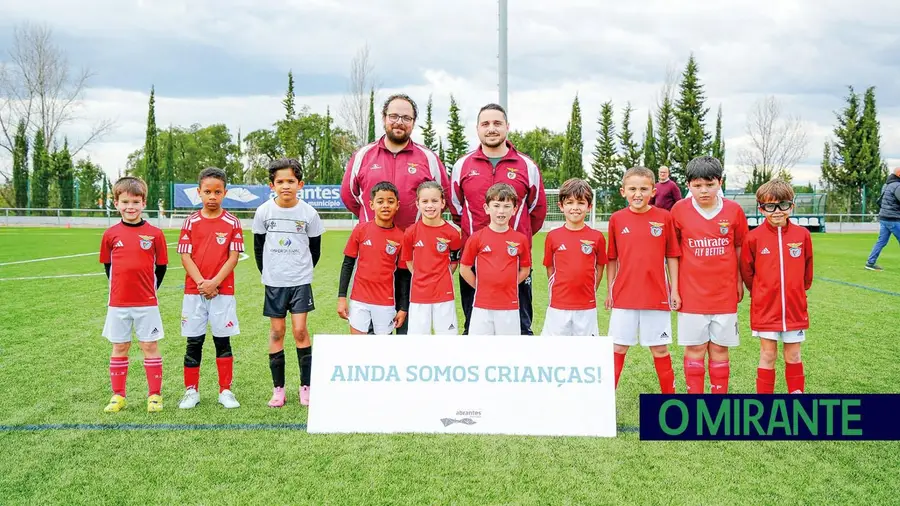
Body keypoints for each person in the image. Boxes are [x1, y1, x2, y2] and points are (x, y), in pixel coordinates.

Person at [340, 93, 450, 334]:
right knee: (367, 333)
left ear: (413, 122)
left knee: (406, 326)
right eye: (394, 116)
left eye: (406, 117)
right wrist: (373, 224)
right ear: (383, 118)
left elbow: (445, 196)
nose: (399, 122)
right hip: (373, 255)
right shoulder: (363, 156)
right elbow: (350, 196)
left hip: (415, 255)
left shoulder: (428, 158)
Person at [450, 103, 547, 335]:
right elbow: (456, 209)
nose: (491, 129)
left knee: (520, 328)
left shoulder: (527, 166)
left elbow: (536, 211)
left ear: (507, 127)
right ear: (477, 129)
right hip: (474, 262)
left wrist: (513, 239)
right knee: (474, 327)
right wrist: (481, 240)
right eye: (485, 124)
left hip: (513, 261)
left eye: (497, 123)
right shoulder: (462, 165)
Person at [670, 155, 749, 394]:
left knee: (720, 349)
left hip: (724, 293)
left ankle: (717, 405)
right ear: (688, 185)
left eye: (710, 184)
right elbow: (672, 252)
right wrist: (674, 288)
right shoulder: (678, 210)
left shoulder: (734, 211)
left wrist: (738, 281)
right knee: (694, 349)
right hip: (691, 294)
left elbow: (738, 247)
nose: (704, 190)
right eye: (697, 185)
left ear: (720, 182)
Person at [252, 158, 325, 408]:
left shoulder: (309, 213)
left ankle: (306, 388)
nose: (286, 186)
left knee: (300, 331)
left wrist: (299, 271)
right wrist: (272, 272)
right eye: (280, 181)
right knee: (276, 332)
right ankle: (278, 389)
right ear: (271, 185)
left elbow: (315, 251)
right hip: (274, 283)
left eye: (290, 181)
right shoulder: (263, 212)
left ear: (300, 184)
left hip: (300, 282)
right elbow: (259, 248)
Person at [606, 167, 680, 393]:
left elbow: (672, 256)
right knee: (617, 348)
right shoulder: (617, 219)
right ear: (623, 191)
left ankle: (671, 400)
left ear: (654, 191)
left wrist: (674, 290)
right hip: (624, 298)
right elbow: (612, 259)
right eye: (632, 189)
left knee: (659, 349)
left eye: (643, 189)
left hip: (656, 297)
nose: (637, 194)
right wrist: (610, 291)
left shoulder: (664, 217)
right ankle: (604, 403)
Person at [98, 176, 168, 413]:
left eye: (135, 201)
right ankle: (118, 396)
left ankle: (154, 396)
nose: (130, 206)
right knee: (120, 347)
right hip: (117, 304)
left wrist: (148, 290)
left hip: (147, 303)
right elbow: (108, 267)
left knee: (149, 345)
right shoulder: (110, 235)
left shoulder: (155, 234)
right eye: (125, 201)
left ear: (143, 202)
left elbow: (161, 268)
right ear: (116, 203)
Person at [176, 167, 244, 410]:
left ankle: (225, 390)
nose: (212, 196)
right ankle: (191, 390)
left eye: (217, 191)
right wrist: (202, 284)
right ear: (199, 193)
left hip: (222, 292)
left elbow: (233, 257)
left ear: (225, 193)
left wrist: (214, 282)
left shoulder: (232, 222)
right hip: (194, 293)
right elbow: (185, 257)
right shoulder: (190, 221)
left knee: (222, 342)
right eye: (207, 192)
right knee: (194, 342)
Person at [740, 179, 814, 393]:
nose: (777, 211)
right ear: (761, 208)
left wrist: (797, 291)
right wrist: (762, 293)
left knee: (793, 355)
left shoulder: (803, 235)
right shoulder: (753, 238)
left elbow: (807, 271)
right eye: (770, 206)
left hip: (794, 307)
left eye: (783, 205)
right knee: (768, 354)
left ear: (792, 205)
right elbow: (747, 272)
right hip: (766, 308)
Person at [337, 181, 410, 334]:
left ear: (397, 205)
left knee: (383, 353)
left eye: (390, 201)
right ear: (371, 205)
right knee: (359, 350)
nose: (385, 205)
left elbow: (403, 276)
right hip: (359, 299)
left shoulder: (402, 237)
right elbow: (347, 264)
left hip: (385, 302)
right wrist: (342, 298)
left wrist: (403, 308)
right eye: (380, 201)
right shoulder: (360, 230)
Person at [459, 183, 532, 335]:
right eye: (496, 205)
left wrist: (508, 284)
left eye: (506, 206)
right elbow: (464, 268)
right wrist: (479, 286)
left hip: (509, 307)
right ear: (487, 208)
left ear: (514, 210)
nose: (501, 211)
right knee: (480, 353)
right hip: (481, 306)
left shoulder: (520, 239)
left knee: (507, 353)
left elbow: (525, 270)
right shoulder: (476, 238)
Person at [541, 178, 608, 336]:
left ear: (589, 206)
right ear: (561, 206)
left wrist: (590, 290)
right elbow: (550, 268)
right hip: (558, 306)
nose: (575, 208)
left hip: (586, 306)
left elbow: (599, 267)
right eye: (569, 202)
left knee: (586, 354)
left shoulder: (597, 237)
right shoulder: (553, 236)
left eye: (580, 203)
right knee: (553, 352)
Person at [400, 181, 462, 334]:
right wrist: (421, 276)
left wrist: (440, 277)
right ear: (417, 203)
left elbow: (454, 261)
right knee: (418, 343)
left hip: (444, 294)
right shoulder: (410, 232)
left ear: (442, 203)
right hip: (419, 296)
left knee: (447, 339)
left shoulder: (452, 233)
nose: (430, 206)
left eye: (434, 201)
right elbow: (409, 261)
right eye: (425, 201)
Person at [865, 166, 900, 271]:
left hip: (884, 217)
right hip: (893, 219)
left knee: (881, 241)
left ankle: (870, 262)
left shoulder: (886, 185)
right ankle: (870, 262)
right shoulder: (897, 186)